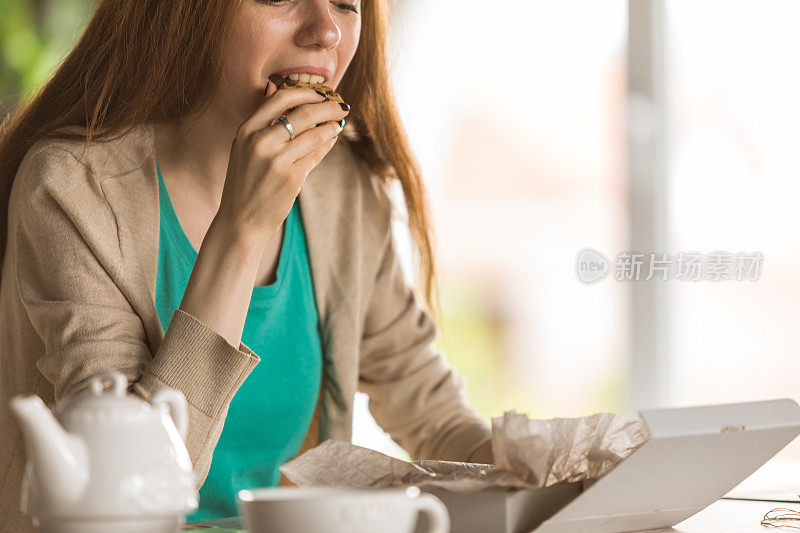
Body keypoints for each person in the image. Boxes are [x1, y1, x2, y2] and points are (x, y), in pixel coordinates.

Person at [0, 0, 493, 528]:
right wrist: (242, 230)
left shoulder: (341, 185)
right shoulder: (72, 187)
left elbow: (434, 414)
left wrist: (568, 476)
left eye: (347, 3)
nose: (326, 30)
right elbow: (124, 491)